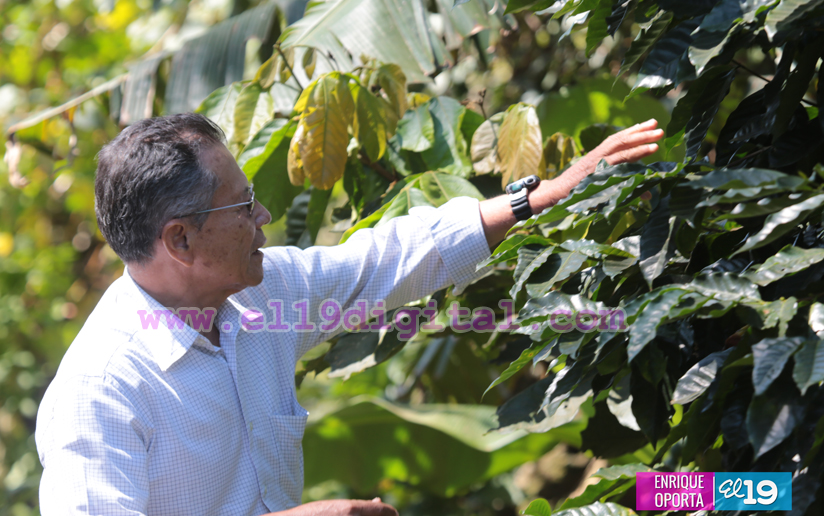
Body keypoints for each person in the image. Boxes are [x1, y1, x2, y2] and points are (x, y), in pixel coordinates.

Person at [35, 113, 663, 515]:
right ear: (180, 241)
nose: (264, 219)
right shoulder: (103, 389)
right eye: (244, 206)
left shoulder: (257, 294)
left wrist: (536, 199)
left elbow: (385, 260)